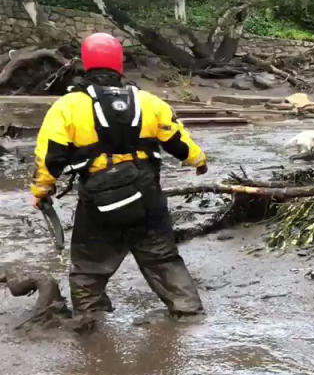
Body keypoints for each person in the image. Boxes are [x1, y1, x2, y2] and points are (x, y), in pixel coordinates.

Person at [29, 32, 208, 316]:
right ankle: (188, 313)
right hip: (146, 195)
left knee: (88, 268)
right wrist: (199, 161)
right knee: (162, 258)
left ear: (86, 64)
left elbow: (50, 157)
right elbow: (178, 140)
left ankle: (91, 321)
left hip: (100, 199)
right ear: (119, 65)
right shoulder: (150, 102)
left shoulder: (67, 106)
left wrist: (40, 192)